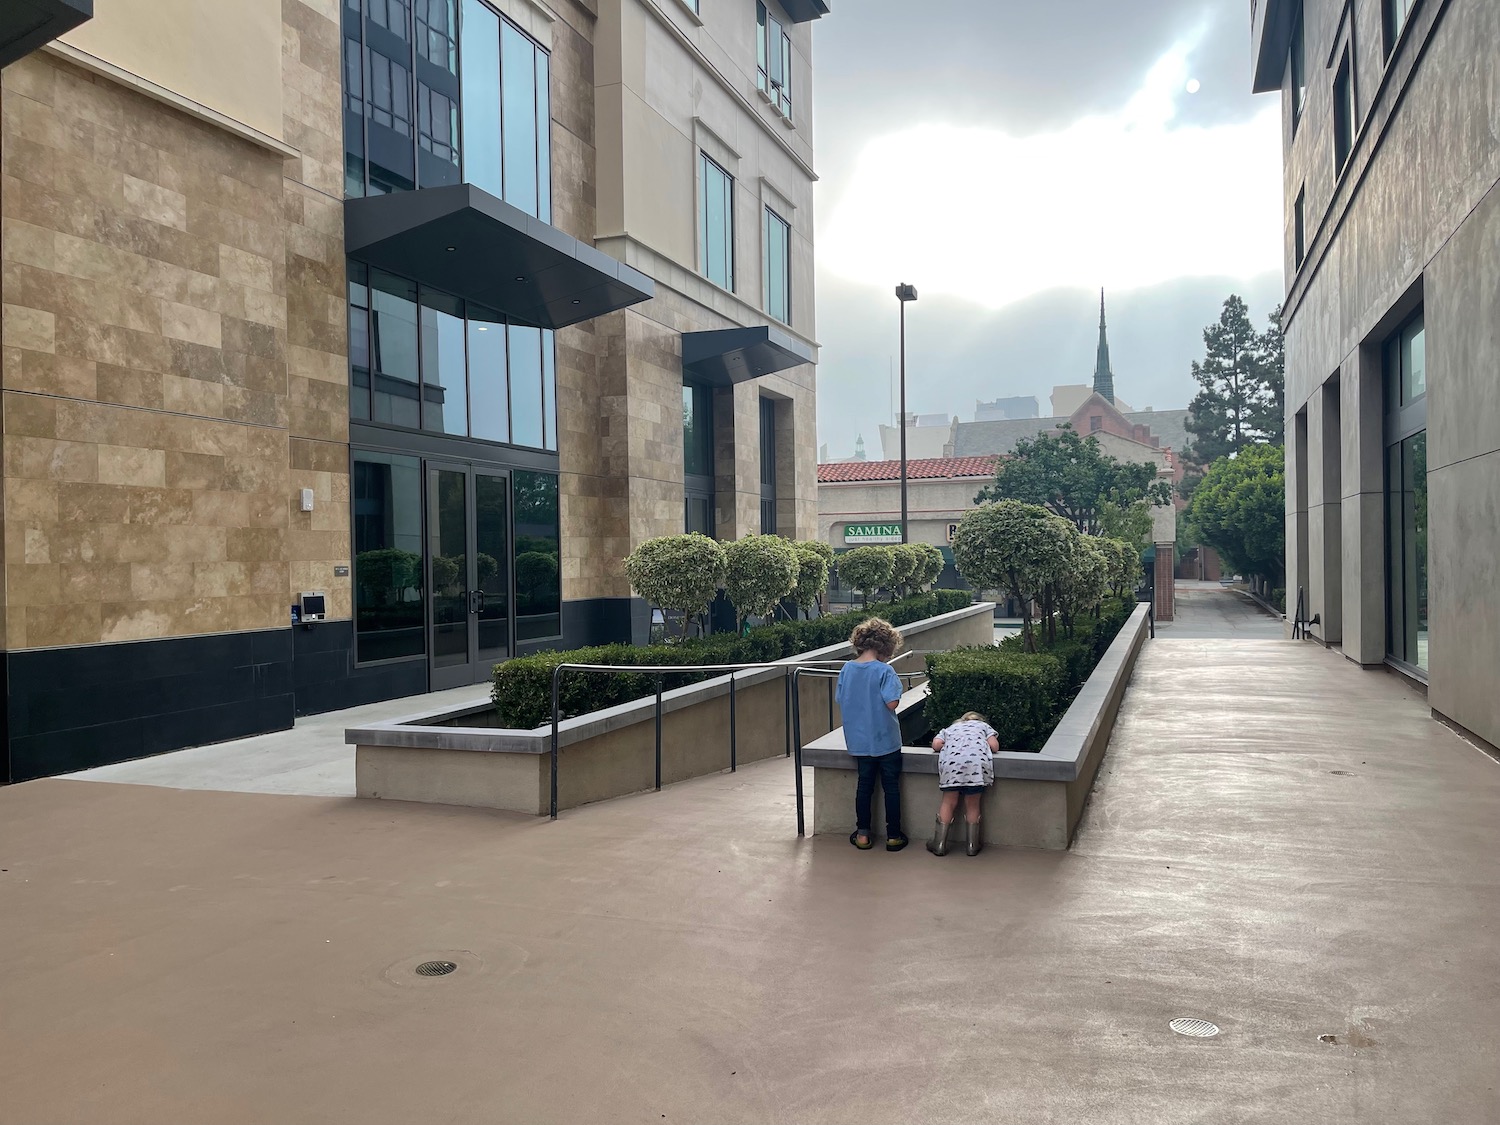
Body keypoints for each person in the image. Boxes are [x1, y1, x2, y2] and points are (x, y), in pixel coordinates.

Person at [836, 618, 908, 851]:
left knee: (864, 787)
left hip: (859, 741)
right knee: (891, 788)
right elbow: (892, 703)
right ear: (886, 647)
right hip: (886, 741)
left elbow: (841, 699)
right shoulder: (885, 671)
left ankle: (863, 835)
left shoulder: (847, 669)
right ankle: (894, 836)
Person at [926, 712, 1000, 856]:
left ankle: (939, 844)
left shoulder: (949, 729)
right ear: (979, 720)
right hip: (975, 768)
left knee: (948, 802)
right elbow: (994, 746)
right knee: (972, 804)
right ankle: (972, 845)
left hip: (951, 768)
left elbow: (936, 745)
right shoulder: (984, 726)